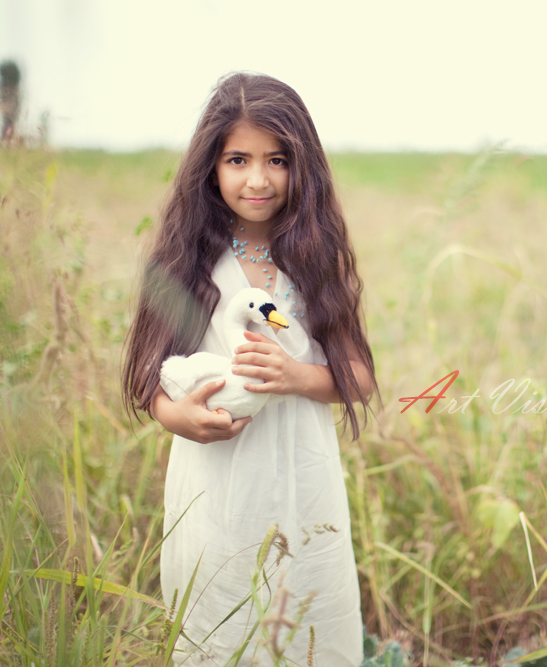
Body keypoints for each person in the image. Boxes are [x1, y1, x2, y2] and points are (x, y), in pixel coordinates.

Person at [122, 72, 376, 666]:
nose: (258, 179)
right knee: (222, 619)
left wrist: (298, 377)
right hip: (217, 484)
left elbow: (359, 375)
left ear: (301, 166)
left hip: (304, 482)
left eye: (277, 160)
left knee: (308, 615)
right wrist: (177, 417)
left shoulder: (315, 258)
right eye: (238, 159)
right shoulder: (187, 261)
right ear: (211, 166)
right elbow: (150, 376)